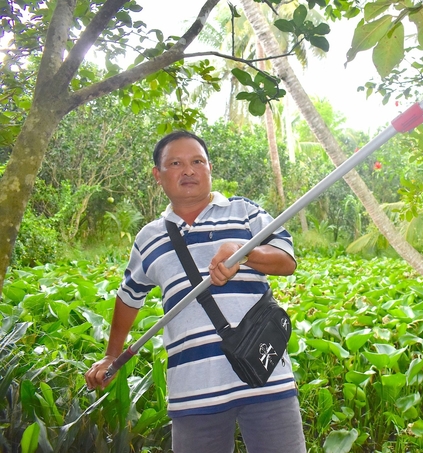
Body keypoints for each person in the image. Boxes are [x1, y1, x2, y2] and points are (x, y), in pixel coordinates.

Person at [85, 130, 305, 453]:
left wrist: (245, 252)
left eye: (197, 161)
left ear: (210, 168)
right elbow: (128, 296)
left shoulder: (245, 212)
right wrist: (111, 355)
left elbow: (287, 261)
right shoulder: (149, 239)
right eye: (176, 163)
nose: (188, 170)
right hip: (193, 391)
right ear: (157, 176)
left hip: (267, 374)